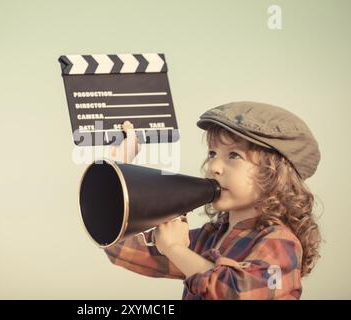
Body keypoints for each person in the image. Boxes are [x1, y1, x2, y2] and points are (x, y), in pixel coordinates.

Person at [104, 101, 322, 300]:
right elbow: (123, 248)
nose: (213, 167)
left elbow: (239, 293)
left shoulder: (279, 241)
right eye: (212, 153)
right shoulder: (208, 238)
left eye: (234, 155)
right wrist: (119, 172)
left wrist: (175, 249)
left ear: (274, 174)